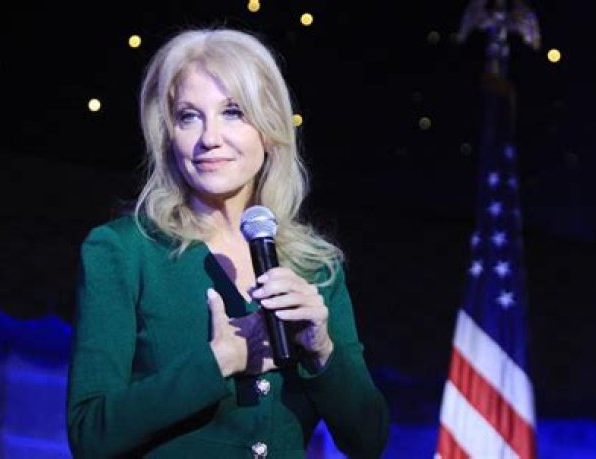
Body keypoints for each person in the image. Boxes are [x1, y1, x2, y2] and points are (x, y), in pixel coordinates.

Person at [66, 26, 390, 458]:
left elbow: (368, 441)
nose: (210, 138)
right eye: (189, 116)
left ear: (269, 129)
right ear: (168, 135)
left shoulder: (314, 267)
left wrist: (321, 349)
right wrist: (219, 361)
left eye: (233, 112)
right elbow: (89, 435)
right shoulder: (124, 251)